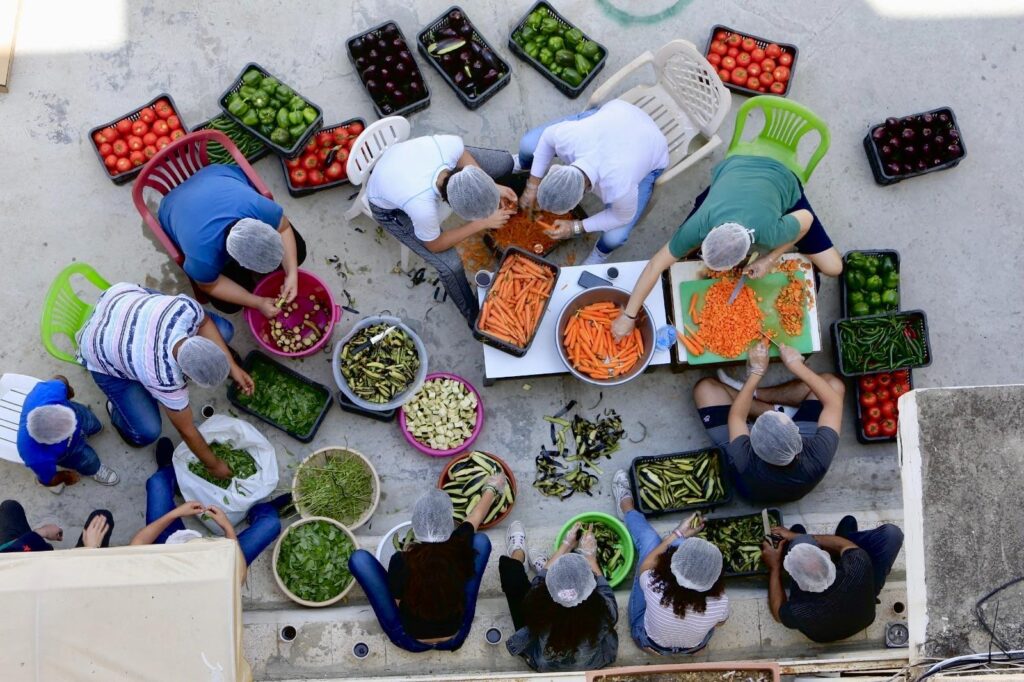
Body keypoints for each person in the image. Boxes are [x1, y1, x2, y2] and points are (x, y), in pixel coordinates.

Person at [609, 154, 842, 341]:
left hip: (780, 178)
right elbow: (654, 266)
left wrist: (770, 259)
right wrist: (628, 315)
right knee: (678, 256)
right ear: (707, 234)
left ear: (749, 251)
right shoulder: (698, 225)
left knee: (833, 267)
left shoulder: (770, 233)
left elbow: (806, 220)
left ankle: (778, 205)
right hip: (733, 168)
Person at [77, 282, 254, 480]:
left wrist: (234, 368)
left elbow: (204, 323)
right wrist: (213, 465)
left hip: (121, 299)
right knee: (147, 432)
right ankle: (116, 409)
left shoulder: (184, 309)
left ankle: (132, 376)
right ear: (187, 375)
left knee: (224, 331)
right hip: (96, 347)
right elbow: (186, 430)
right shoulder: (164, 377)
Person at [366, 135, 517, 324]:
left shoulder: (450, 146)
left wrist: (491, 185)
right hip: (385, 204)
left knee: (504, 162)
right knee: (450, 266)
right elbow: (435, 245)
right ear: (448, 204)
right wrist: (481, 224)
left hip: (403, 163)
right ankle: (473, 316)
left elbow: (463, 154)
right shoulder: (423, 208)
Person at [347, 480, 503, 652]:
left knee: (358, 559)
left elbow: (398, 602)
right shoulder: (460, 546)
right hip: (456, 634)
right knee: (481, 541)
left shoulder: (401, 561)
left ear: (416, 527)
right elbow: (476, 516)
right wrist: (493, 487)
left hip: (410, 639)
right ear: (448, 525)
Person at [517, 100, 669, 265]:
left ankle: (600, 253)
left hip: (653, 145)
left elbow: (622, 217)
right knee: (527, 145)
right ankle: (521, 164)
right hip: (619, 113)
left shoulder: (618, 186)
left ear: (581, 196)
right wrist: (532, 186)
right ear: (556, 170)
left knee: (614, 238)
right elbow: (546, 139)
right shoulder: (569, 138)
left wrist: (575, 227)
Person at [692, 341, 844, 503]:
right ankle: (771, 402)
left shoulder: (745, 460)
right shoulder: (819, 454)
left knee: (705, 388)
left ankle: (762, 401)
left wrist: (756, 373)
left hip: (750, 491)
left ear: (750, 439)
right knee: (833, 385)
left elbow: (737, 417)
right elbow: (833, 402)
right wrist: (796, 366)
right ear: (797, 435)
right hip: (790, 484)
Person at [156, 164, 306, 317]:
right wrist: (257, 302)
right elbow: (209, 285)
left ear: (262, 224)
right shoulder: (203, 257)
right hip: (172, 205)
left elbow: (284, 228)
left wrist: (291, 274)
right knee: (229, 305)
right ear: (237, 262)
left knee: (298, 253)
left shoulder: (260, 208)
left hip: (214, 174)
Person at [611, 471, 729, 654]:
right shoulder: (720, 601)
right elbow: (721, 622)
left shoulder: (655, 588)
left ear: (674, 571)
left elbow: (647, 564)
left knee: (651, 541)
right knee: (675, 545)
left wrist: (677, 534)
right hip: (693, 648)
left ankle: (626, 508)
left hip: (647, 640)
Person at [129, 437, 289, 569]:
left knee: (157, 482)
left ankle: (170, 472)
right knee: (271, 523)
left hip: (171, 544)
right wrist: (227, 528)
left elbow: (139, 543)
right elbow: (238, 572)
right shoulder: (219, 589)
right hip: (222, 561)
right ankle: (264, 510)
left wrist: (176, 513)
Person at [761, 516, 904, 643]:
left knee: (800, 541)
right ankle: (842, 536)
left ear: (797, 581)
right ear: (827, 558)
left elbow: (777, 613)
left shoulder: (800, 610)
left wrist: (774, 567)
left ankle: (800, 543)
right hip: (862, 613)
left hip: (824, 634)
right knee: (892, 535)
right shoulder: (858, 566)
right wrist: (797, 536)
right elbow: (844, 545)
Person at [501, 520, 618, 672]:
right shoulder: (604, 611)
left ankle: (521, 553)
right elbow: (604, 588)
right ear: (590, 589)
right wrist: (590, 557)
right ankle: (546, 563)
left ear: (549, 589)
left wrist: (567, 544)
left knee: (511, 572)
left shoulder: (537, 606)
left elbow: (540, 579)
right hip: (591, 663)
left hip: (543, 663)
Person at [17, 374, 119, 493]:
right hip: (70, 452)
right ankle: (94, 469)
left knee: (88, 420)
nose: (76, 427)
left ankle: (93, 427)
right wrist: (66, 477)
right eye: (68, 432)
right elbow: (48, 480)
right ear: (49, 442)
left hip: (79, 414)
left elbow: (61, 380)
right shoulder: (35, 456)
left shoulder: (47, 393)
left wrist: (69, 393)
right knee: (86, 460)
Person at [0, 499, 113, 553]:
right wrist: (92, 550)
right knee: (103, 518)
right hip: (64, 572)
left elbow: (8, 554)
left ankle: (45, 548)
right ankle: (45, 550)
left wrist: (41, 533)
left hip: (16, 555)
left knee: (10, 507)